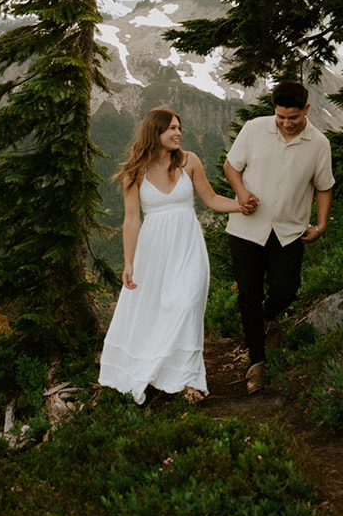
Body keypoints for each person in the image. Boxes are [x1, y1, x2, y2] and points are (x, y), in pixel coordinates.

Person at [98, 107, 251, 405]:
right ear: (154, 132)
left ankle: (189, 379)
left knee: (186, 305)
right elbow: (131, 220)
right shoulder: (135, 172)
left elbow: (210, 199)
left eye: (179, 127)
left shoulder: (189, 161)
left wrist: (240, 205)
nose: (177, 133)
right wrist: (129, 263)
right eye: (170, 128)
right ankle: (160, 370)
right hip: (153, 252)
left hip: (188, 246)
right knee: (160, 309)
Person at [223, 80, 334, 394]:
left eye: (293, 118)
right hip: (246, 229)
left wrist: (321, 225)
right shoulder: (254, 129)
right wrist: (241, 192)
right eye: (281, 117)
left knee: (286, 291)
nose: (286, 123)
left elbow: (325, 186)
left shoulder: (319, 144)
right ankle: (256, 361)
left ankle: (264, 320)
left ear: (306, 111)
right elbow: (231, 166)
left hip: (289, 231)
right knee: (248, 295)